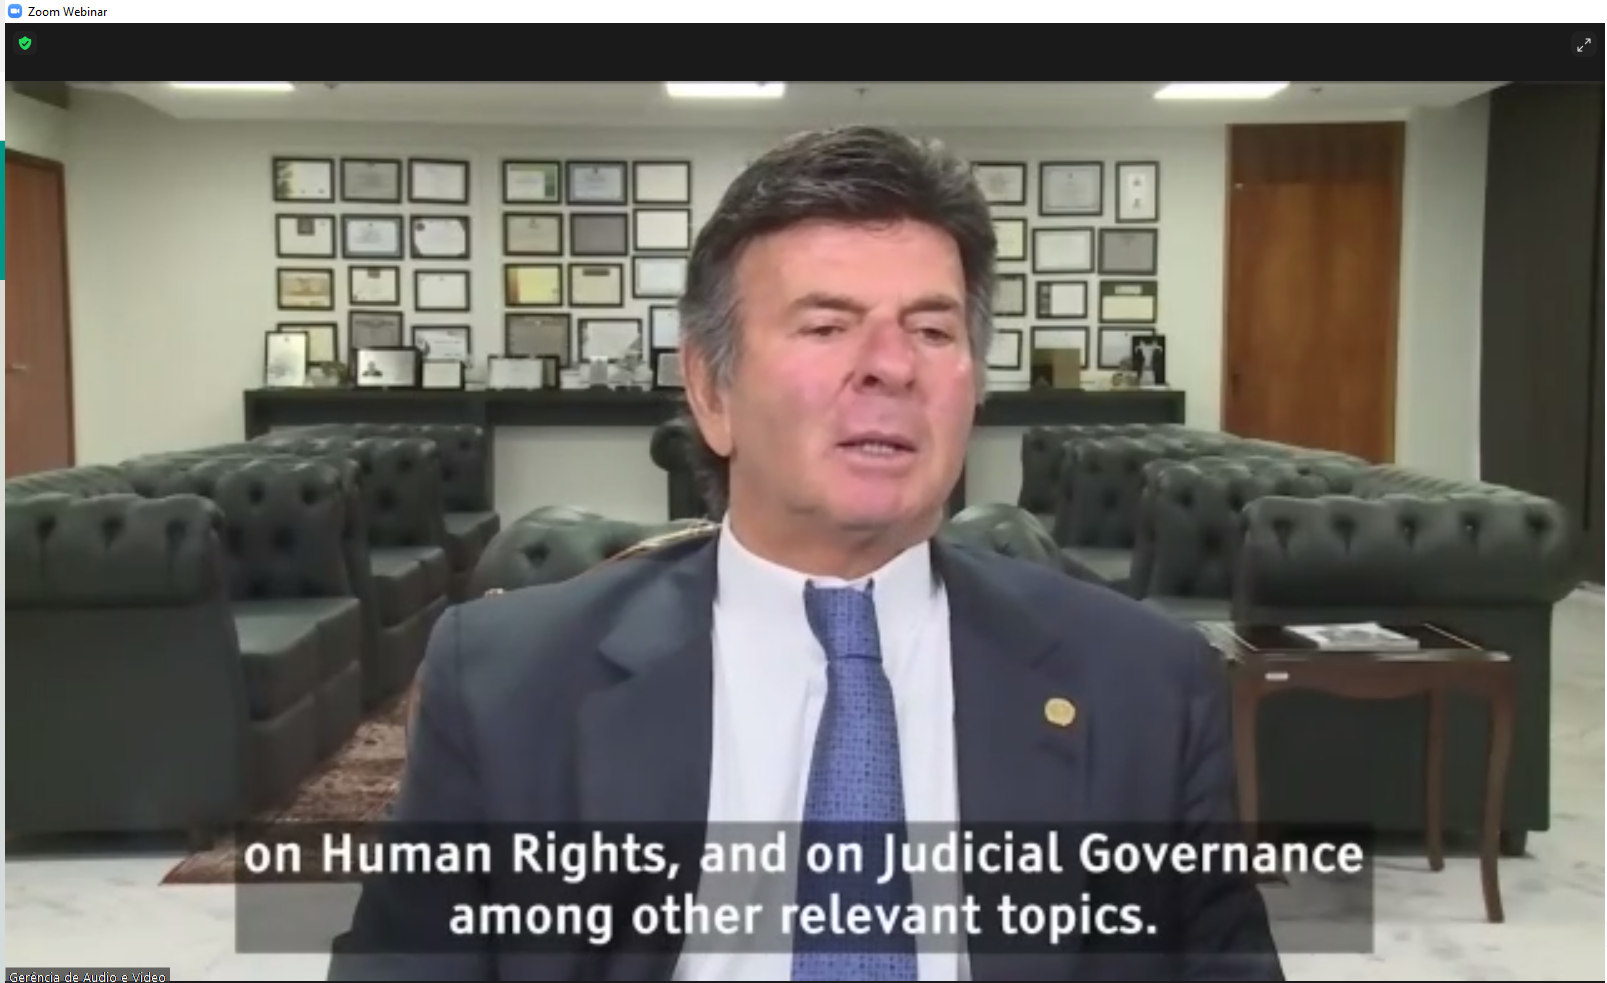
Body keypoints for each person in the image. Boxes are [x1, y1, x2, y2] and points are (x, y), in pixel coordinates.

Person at [327, 125, 1283, 981]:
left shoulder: (1146, 684)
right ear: (710, 390)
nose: (891, 365)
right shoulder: (506, 681)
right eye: (827, 326)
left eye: (931, 328)